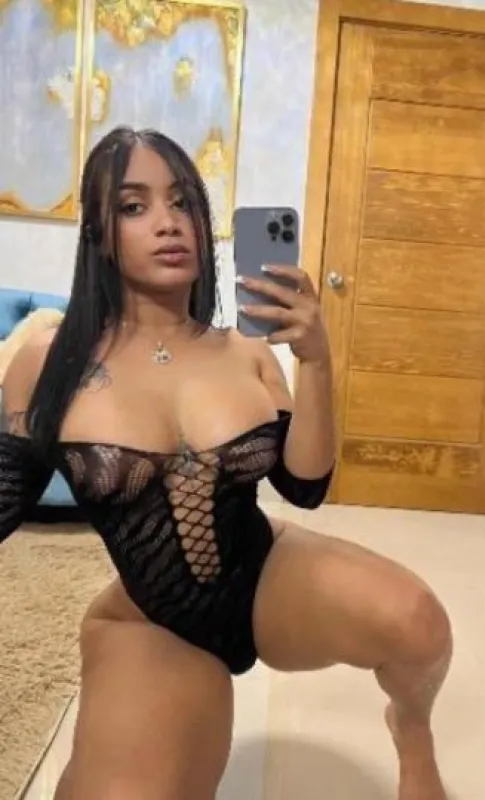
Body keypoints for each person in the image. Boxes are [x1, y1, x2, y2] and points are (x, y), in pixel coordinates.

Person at [0, 127, 453, 800]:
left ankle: (410, 728)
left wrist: (316, 361)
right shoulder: (51, 359)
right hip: (156, 615)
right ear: (98, 233)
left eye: (182, 201)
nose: (168, 222)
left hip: (266, 574)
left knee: (419, 625)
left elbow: (304, 486)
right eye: (134, 206)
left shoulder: (245, 351)